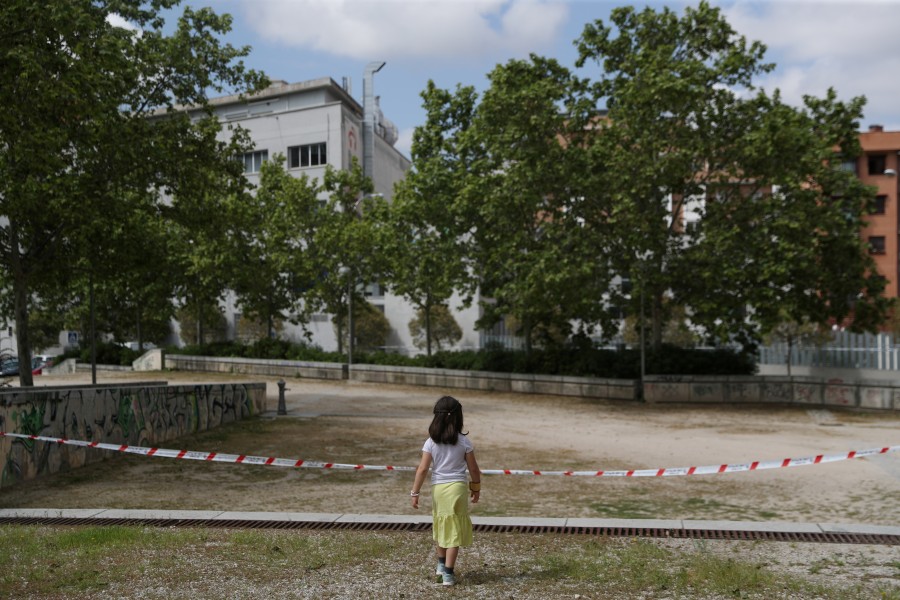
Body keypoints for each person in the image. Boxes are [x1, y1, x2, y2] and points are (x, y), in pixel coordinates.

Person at [410, 395, 481, 587]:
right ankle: (448, 574)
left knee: (441, 525)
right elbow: (474, 469)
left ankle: (441, 566)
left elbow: (422, 469)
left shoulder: (430, 442)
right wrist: (476, 487)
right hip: (457, 489)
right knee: (454, 530)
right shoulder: (464, 442)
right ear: (458, 417)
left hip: (438, 489)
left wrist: (415, 493)